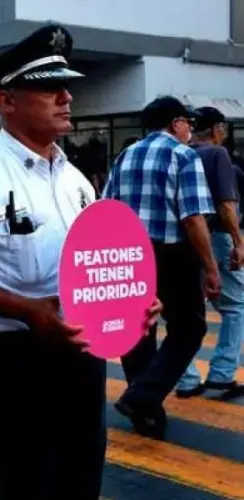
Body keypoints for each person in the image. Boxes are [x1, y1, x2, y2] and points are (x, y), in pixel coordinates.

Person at [0, 25, 161, 500]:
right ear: (7, 101)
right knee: (16, 483)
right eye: (49, 88)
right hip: (15, 366)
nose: (66, 97)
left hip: (84, 360)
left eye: (66, 87)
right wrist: (28, 310)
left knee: (78, 479)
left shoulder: (77, 181)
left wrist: (135, 300)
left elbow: (96, 267)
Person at [103, 96, 218, 439]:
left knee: (139, 330)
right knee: (189, 328)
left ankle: (145, 408)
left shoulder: (125, 156)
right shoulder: (184, 156)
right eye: (188, 123)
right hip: (172, 253)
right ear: (174, 123)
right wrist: (210, 268)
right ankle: (143, 396)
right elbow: (194, 219)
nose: (190, 130)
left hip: (130, 251)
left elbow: (108, 206)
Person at [173, 106, 244, 400]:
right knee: (236, 305)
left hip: (181, 239)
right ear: (216, 129)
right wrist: (238, 241)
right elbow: (227, 206)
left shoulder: (180, 153)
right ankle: (221, 374)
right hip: (214, 235)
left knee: (187, 308)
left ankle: (187, 378)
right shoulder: (217, 154)